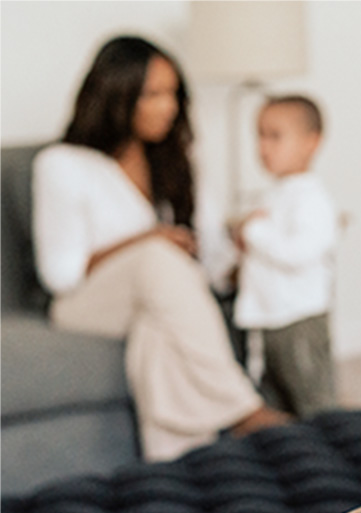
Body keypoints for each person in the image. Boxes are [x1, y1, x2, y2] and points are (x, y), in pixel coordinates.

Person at [32, 35, 290, 462]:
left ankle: (183, 466)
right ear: (118, 94)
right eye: (153, 94)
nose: (167, 106)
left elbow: (207, 261)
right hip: (85, 303)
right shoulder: (61, 164)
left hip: (159, 296)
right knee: (157, 258)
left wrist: (244, 253)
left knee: (158, 332)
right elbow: (60, 274)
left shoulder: (177, 159)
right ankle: (245, 409)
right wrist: (146, 239)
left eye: (172, 94)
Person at [232, 95, 340, 418]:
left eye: (275, 136)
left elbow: (298, 253)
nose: (263, 146)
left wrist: (253, 232)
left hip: (299, 319)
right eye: (259, 135)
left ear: (311, 143)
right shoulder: (276, 193)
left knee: (314, 400)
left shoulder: (312, 198)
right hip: (269, 319)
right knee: (274, 400)